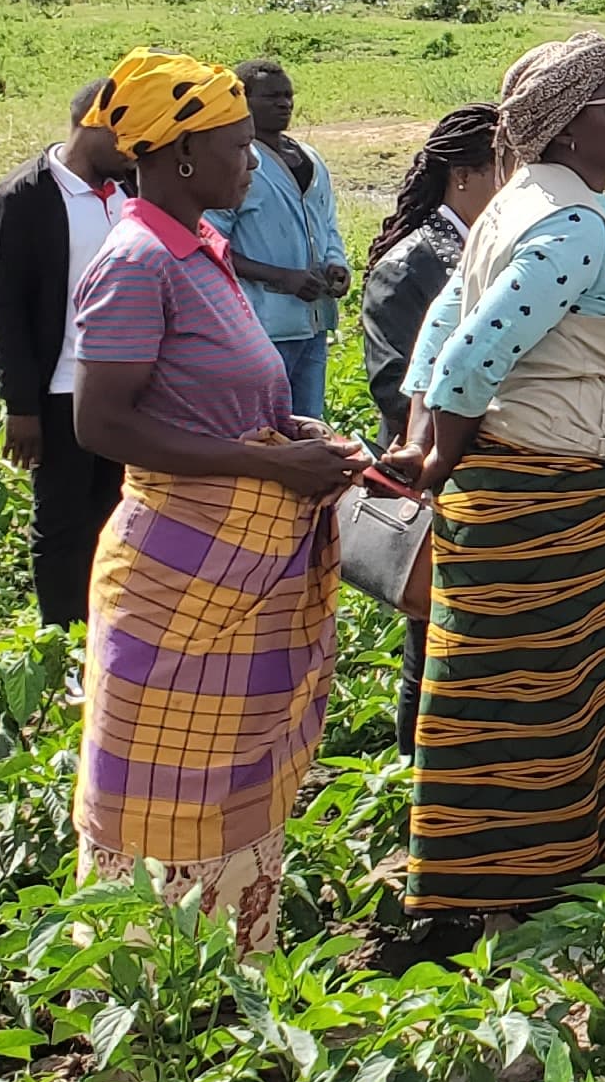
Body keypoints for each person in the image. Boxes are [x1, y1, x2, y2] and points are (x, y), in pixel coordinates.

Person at [64, 52, 374, 947]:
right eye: (238, 147)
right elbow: (102, 424)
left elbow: (230, 395)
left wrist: (301, 435)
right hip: (181, 568)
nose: (253, 162)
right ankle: (148, 1011)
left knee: (232, 781)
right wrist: (273, 471)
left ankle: (230, 983)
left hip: (235, 563)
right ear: (180, 157)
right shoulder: (136, 261)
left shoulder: (198, 246)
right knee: (164, 793)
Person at [383, 34, 605, 928]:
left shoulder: (519, 205)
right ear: (565, 132)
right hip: (555, 501)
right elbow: (478, 348)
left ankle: (505, 890)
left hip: (525, 495)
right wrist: (435, 455)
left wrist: (421, 431)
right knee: (547, 707)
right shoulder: (569, 227)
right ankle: (531, 894)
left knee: (514, 701)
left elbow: (445, 319)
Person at [355, 102, 505, 749]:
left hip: (478, 465)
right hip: (435, 470)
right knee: (431, 627)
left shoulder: (491, 251)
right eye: (506, 169)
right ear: (463, 178)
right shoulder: (410, 264)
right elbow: (395, 383)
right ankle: (413, 766)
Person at [0, 80, 134, 626]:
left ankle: (108, 631)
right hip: (59, 389)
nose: (136, 148)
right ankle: (63, 637)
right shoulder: (25, 196)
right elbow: (8, 307)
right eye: (127, 134)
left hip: (127, 388)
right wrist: (20, 407)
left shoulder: (132, 190)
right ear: (93, 124)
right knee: (63, 521)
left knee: (120, 513)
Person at [207, 57, 348, 427]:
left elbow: (328, 224)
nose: (284, 103)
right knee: (263, 430)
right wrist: (281, 277)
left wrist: (336, 265)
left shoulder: (310, 158)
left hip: (314, 322)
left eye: (288, 95)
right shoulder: (238, 163)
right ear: (242, 100)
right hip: (263, 326)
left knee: (307, 426)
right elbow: (210, 244)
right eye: (271, 97)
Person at [357, 106, 505, 440]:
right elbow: (395, 391)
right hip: (429, 459)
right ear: (462, 177)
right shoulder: (404, 269)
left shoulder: (501, 251)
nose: (517, 189)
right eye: (505, 173)